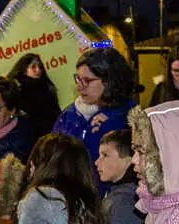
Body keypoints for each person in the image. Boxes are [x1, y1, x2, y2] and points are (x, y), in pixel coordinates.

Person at [52, 47, 136, 189]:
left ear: (109, 81)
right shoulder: (68, 115)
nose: (80, 87)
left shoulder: (129, 117)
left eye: (87, 80)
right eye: (78, 79)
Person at [10, 52, 60, 141]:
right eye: (33, 67)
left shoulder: (47, 87)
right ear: (24, 69)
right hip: (27, 139)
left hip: (52, 136)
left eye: (40, 67)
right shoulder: (17, 90)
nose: (38, 70)